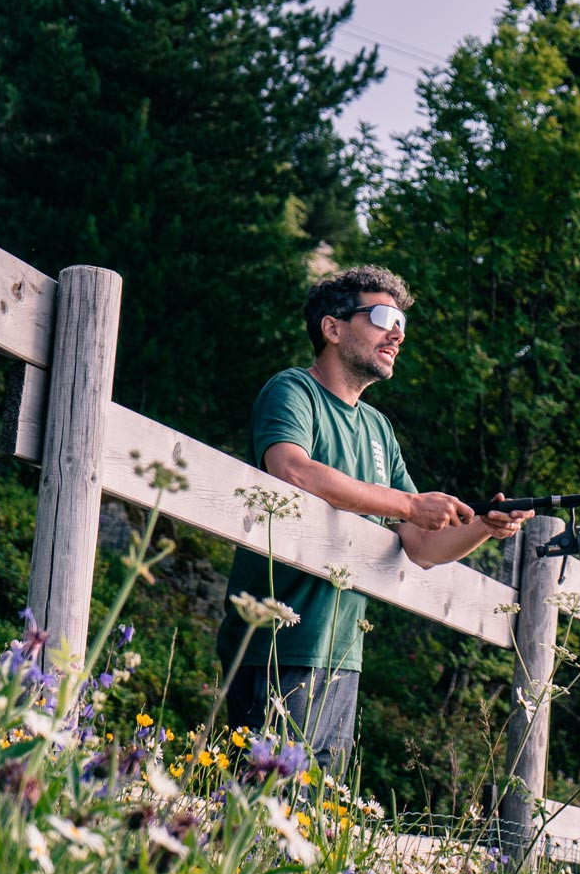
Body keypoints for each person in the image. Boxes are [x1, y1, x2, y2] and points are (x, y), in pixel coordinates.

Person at [216, 264, 528, 770]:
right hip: (273, 644)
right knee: (256, 814)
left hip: (341, 655)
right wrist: (408, 503)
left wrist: (482, 528)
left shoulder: (379, 429)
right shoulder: (293, 390)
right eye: (383, 317)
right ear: (333, 329)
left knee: (310, 821)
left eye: (402, 322)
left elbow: (422, 546)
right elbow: (291, 469)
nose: (397, 333)